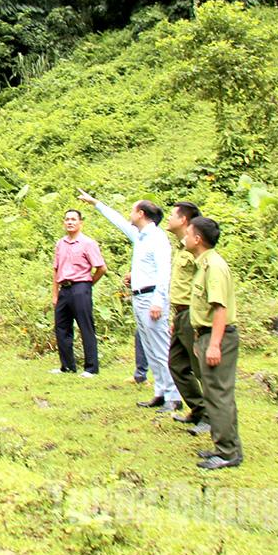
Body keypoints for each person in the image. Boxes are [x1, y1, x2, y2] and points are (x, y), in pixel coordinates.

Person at [78, 190, 181, 412]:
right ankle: (160, 393)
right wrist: (97, 203)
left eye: (132, 211)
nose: (129, 215)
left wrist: (158, 302)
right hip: (139, 296)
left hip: (152, 297)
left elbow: (164, 272)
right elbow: (119, 223)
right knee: (150, 347)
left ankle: (174, 396)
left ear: (141, 213)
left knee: (161, 348)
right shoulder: (141, 236)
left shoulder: (158, 239)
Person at [184, 216, 243, 470]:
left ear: (198, 239)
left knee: (219, 395)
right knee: (214, 393)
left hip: (218, 335)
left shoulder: (214, 267)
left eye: (188, 234)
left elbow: (220, 308)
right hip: (206, 334)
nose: (184, 238)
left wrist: (215, 344)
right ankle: (223, 446)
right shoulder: (203, 264)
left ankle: (229, 452)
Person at [166, 201, 209, 435]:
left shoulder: (196, 250)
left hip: (192, 315)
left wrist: (197, 320)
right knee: (177, 365)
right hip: (180, 314)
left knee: (200, 368)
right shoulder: (182, 248)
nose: (168, 218)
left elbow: (204, 285)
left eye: (172, 215)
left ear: (183, 220)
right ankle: (199, 408)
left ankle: (212, 416)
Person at [50, 208, 107, 377]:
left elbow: (101, 268)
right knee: (62, 327)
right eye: (67, 219)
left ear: (80, 222)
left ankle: (91, 368)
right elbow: (55, 269)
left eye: (74, 219)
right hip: (64, 288)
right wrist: (54, 294)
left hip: (81, 287)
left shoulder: (88, 243)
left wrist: (88, 284)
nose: (70, 222)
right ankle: (67, 366)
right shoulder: (60, 243)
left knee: (85, 326)